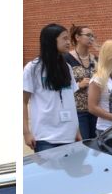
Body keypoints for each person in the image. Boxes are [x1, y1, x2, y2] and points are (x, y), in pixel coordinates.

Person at [23, 23, 80, 153]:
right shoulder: (33, 68)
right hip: (46, 138)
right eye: (64, 39)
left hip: (69, 136)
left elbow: (71, 101)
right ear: (50, 41)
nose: (68, 43)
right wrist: (26, 132)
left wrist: (76, 130)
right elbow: (23, 101)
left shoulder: (67, 67)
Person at [66, 24, 100, 142]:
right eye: (88, 35)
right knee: (83, 144)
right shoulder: (67, 58)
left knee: (96, 144)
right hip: (78, 110)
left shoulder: (96, 59)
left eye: (93, 36)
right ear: (77, 37)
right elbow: (61, 85)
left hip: (95, 109)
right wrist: (78, 85)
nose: (92, 38)